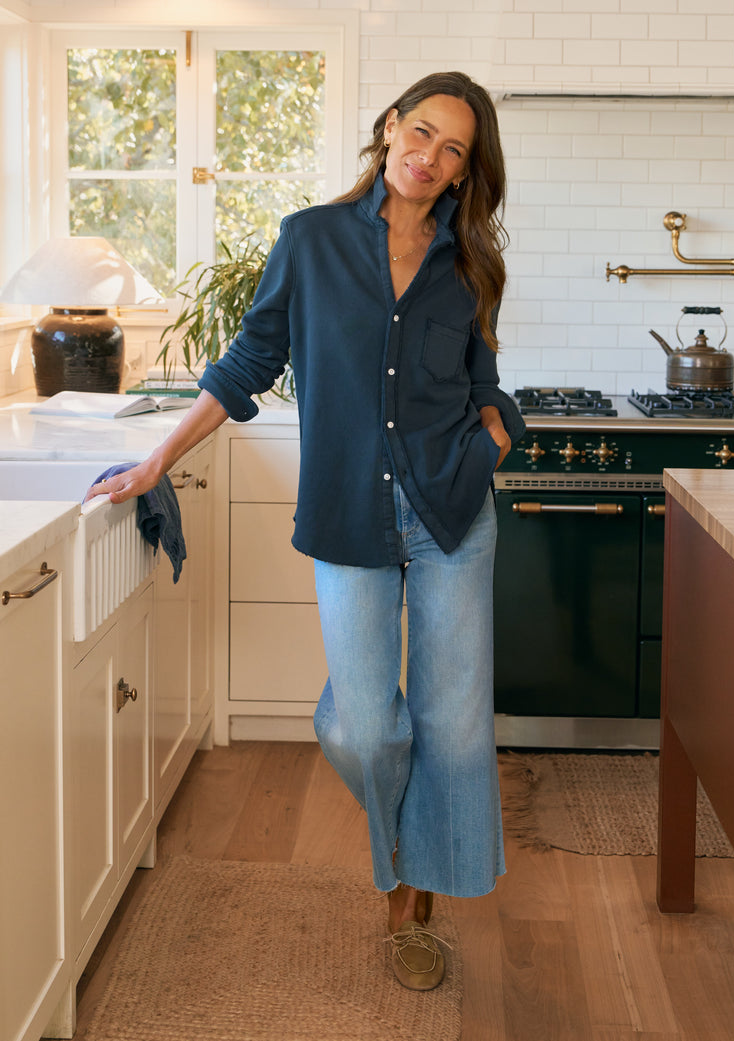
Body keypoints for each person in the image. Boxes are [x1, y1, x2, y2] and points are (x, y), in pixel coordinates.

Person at [87, 70, 525, 992]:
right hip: (349, 508)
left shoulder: (470, 260)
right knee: (368, 728)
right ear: (389, 127)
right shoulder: (312, 240)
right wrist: (159, 459)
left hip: (453, 509)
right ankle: (404, 822)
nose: (430, 156)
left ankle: (410, 898)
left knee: (452, 725)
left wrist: (495, 425)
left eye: (454, 151)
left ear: (462, 172)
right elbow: (249, 359)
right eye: (422, 132)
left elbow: (482, 373)